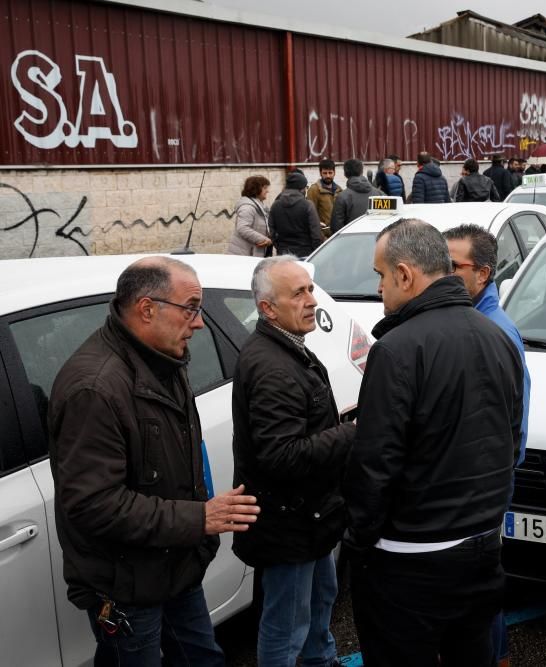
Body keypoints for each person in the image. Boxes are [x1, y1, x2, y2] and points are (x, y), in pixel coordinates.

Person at [48, 257, 261, 667]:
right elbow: (94, 504)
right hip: (127, 586)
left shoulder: (163, 358)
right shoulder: (94, 389)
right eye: (192, 307)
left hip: (174, 566)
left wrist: (198, 533)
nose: (199, 323)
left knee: (202, 658)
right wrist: (200, 518)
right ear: (147, 309)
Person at [344, 219, 524, 667]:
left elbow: (375, 464)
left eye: (381, 275)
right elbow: (510, 434)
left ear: (405, 275)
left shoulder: (397, 350)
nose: (380, 288)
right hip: (481, 546)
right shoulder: (498, 337)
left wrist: (358, 541)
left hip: (410, 561)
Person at [231, 256, 356, 667]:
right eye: (298, 293)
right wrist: (354, 432)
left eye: (310, 289)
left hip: (311, 518)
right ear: (268, 308)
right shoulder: (272, 367)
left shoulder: (289, 348)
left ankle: (322, 659)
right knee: (286, 627)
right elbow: (281, 457)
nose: (312, 300)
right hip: (290, 525)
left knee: (320, 602)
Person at [443, 224, 531, 667]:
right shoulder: (475, 320)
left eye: (452, 266)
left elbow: (511, 422)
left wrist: (495, 476)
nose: (442, 273)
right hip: (483, 484)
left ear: (483, 273)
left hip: (483, 487)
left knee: (478, 584)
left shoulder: (494, 330)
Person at [269, 171, 324, 257]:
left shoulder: (275, 205)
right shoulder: (308, 205)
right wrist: (315, 253)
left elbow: (272, 232)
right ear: (302, 188)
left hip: (283, 254)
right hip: (306, 254)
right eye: (306, 187)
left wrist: (280, 248)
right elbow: (316, 235)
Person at [332, 158, 384, 234]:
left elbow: (336, 229)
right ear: (362, 172)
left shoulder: (342, 197)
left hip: (352, 242)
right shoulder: (380, 194)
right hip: (376, 241)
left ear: (345, 174)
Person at [227, 175, 273, 256]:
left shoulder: (260, 205)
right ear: (256, 189)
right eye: (265, 188)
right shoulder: (248, 207)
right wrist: (264, 240)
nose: (267, 191)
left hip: (252, 252)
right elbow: (243, 228)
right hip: (244, 255)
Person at [306, 158, 342, 237]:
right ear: (320, 173)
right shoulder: (314, 190)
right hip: (322, 237)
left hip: (338, 235)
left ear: (334, 173)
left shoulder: (339, 190)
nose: (328, 175)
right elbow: (310, 214)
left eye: (330, 173)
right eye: (325, 173)